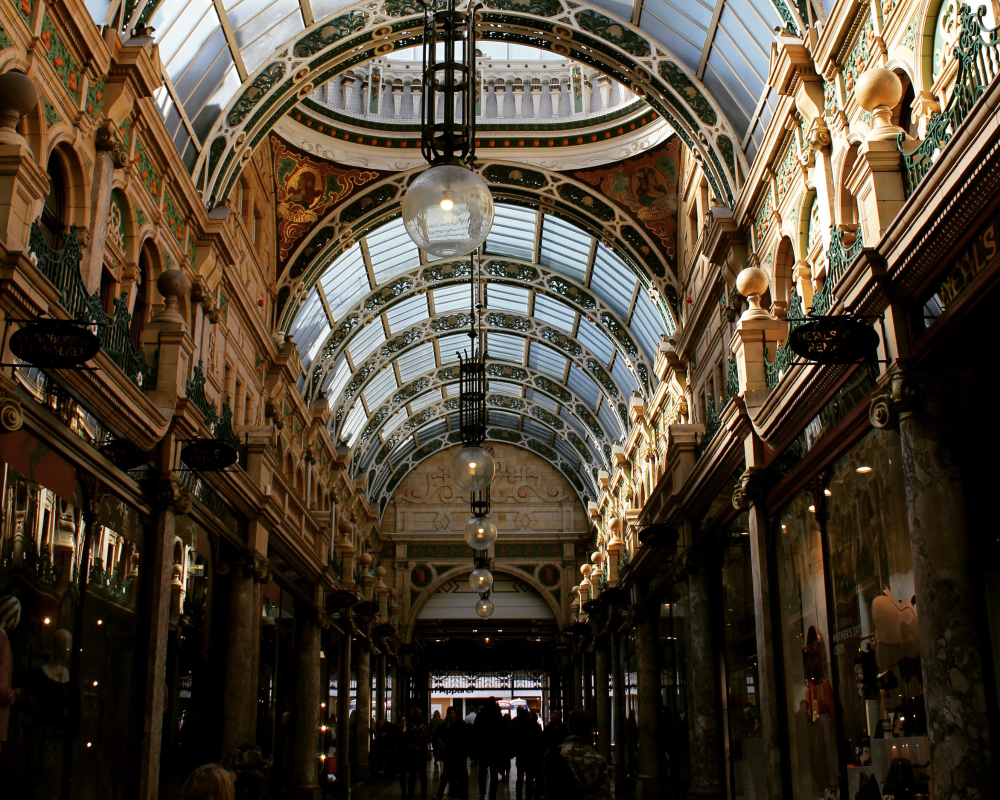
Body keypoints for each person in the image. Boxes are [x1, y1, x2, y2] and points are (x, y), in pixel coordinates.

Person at [543, 711, 610, 800]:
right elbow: (604, 795)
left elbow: (547, 789)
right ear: (590, 732)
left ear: (569, 729)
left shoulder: (555, 754)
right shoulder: (599, 760)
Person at [434, 707, 469, 800]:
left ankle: (463, 793)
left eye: (453, 713)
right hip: (449, 754)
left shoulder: (460, 724)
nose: (451, 715)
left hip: (459, 753)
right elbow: (439, 735)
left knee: (461, 775)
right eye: (450, 713)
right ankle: (439, 795)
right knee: (446, 775)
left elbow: (463, 738)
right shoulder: (445, 725)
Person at [474, 698, 504, 800]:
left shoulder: (480, 715)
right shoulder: (498, 716)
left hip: (483, 748)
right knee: (494, 773)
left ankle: (482, 792)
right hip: (495, 749)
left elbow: (476, 732)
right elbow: (502, 733)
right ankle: (492, 794)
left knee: (482, 772)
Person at [513, 708, 543, 800]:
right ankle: (528, 796)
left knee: (520, 776)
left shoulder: (517, 726)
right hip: (531, 755)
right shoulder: (534, 726)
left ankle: (518, 796)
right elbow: (540, 741)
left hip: (521, 754)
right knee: (529, 778)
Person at [404, 707, 431, 798]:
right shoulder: (423, 727)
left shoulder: (410, 727)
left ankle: (410, 794)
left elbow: (406, 739)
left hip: (412, 753)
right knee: (423, 774)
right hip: (421, 753)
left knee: (412, 775)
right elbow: (428, 739)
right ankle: (424, 794)